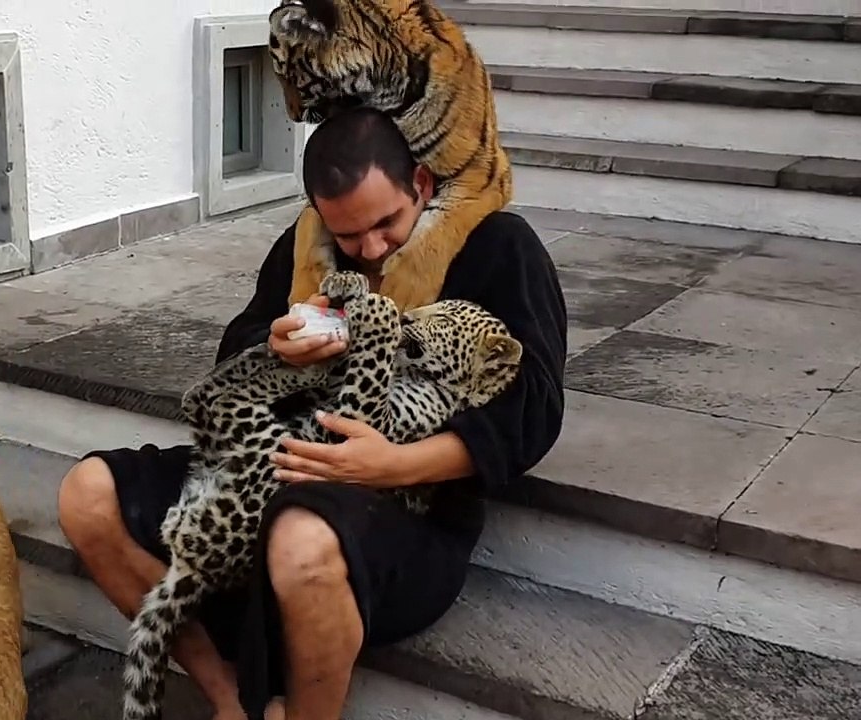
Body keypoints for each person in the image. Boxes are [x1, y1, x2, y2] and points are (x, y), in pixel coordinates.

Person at [56, 107, 567, 720]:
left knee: (302, 539)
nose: (371, 249)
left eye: (387, 224)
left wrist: (391, 465)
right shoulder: (306, 247)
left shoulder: (498, 245)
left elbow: (535, 407)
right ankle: (227, 700)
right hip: (273, 463)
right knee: (87, 495)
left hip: (411, 506)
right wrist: (274, 348)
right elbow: (239, 344)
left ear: (421, 185)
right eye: (349, 236)